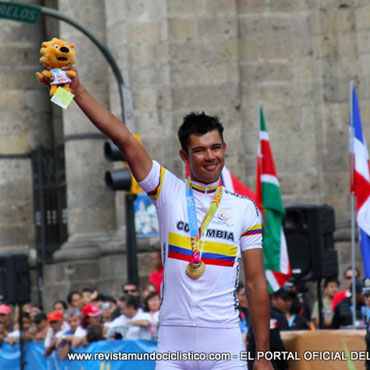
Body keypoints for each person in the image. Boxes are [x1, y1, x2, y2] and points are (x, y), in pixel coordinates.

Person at [40, 66, 272, 369]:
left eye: (216, 148)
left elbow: (255, 284)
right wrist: (78, 91)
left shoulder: (245, 208)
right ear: (184, 156)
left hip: (225, 343)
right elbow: (124, 139)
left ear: (224, 149)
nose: (210, 156)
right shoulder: (168, 190)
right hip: (174, 343)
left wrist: (264, 355)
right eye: (199, 150)